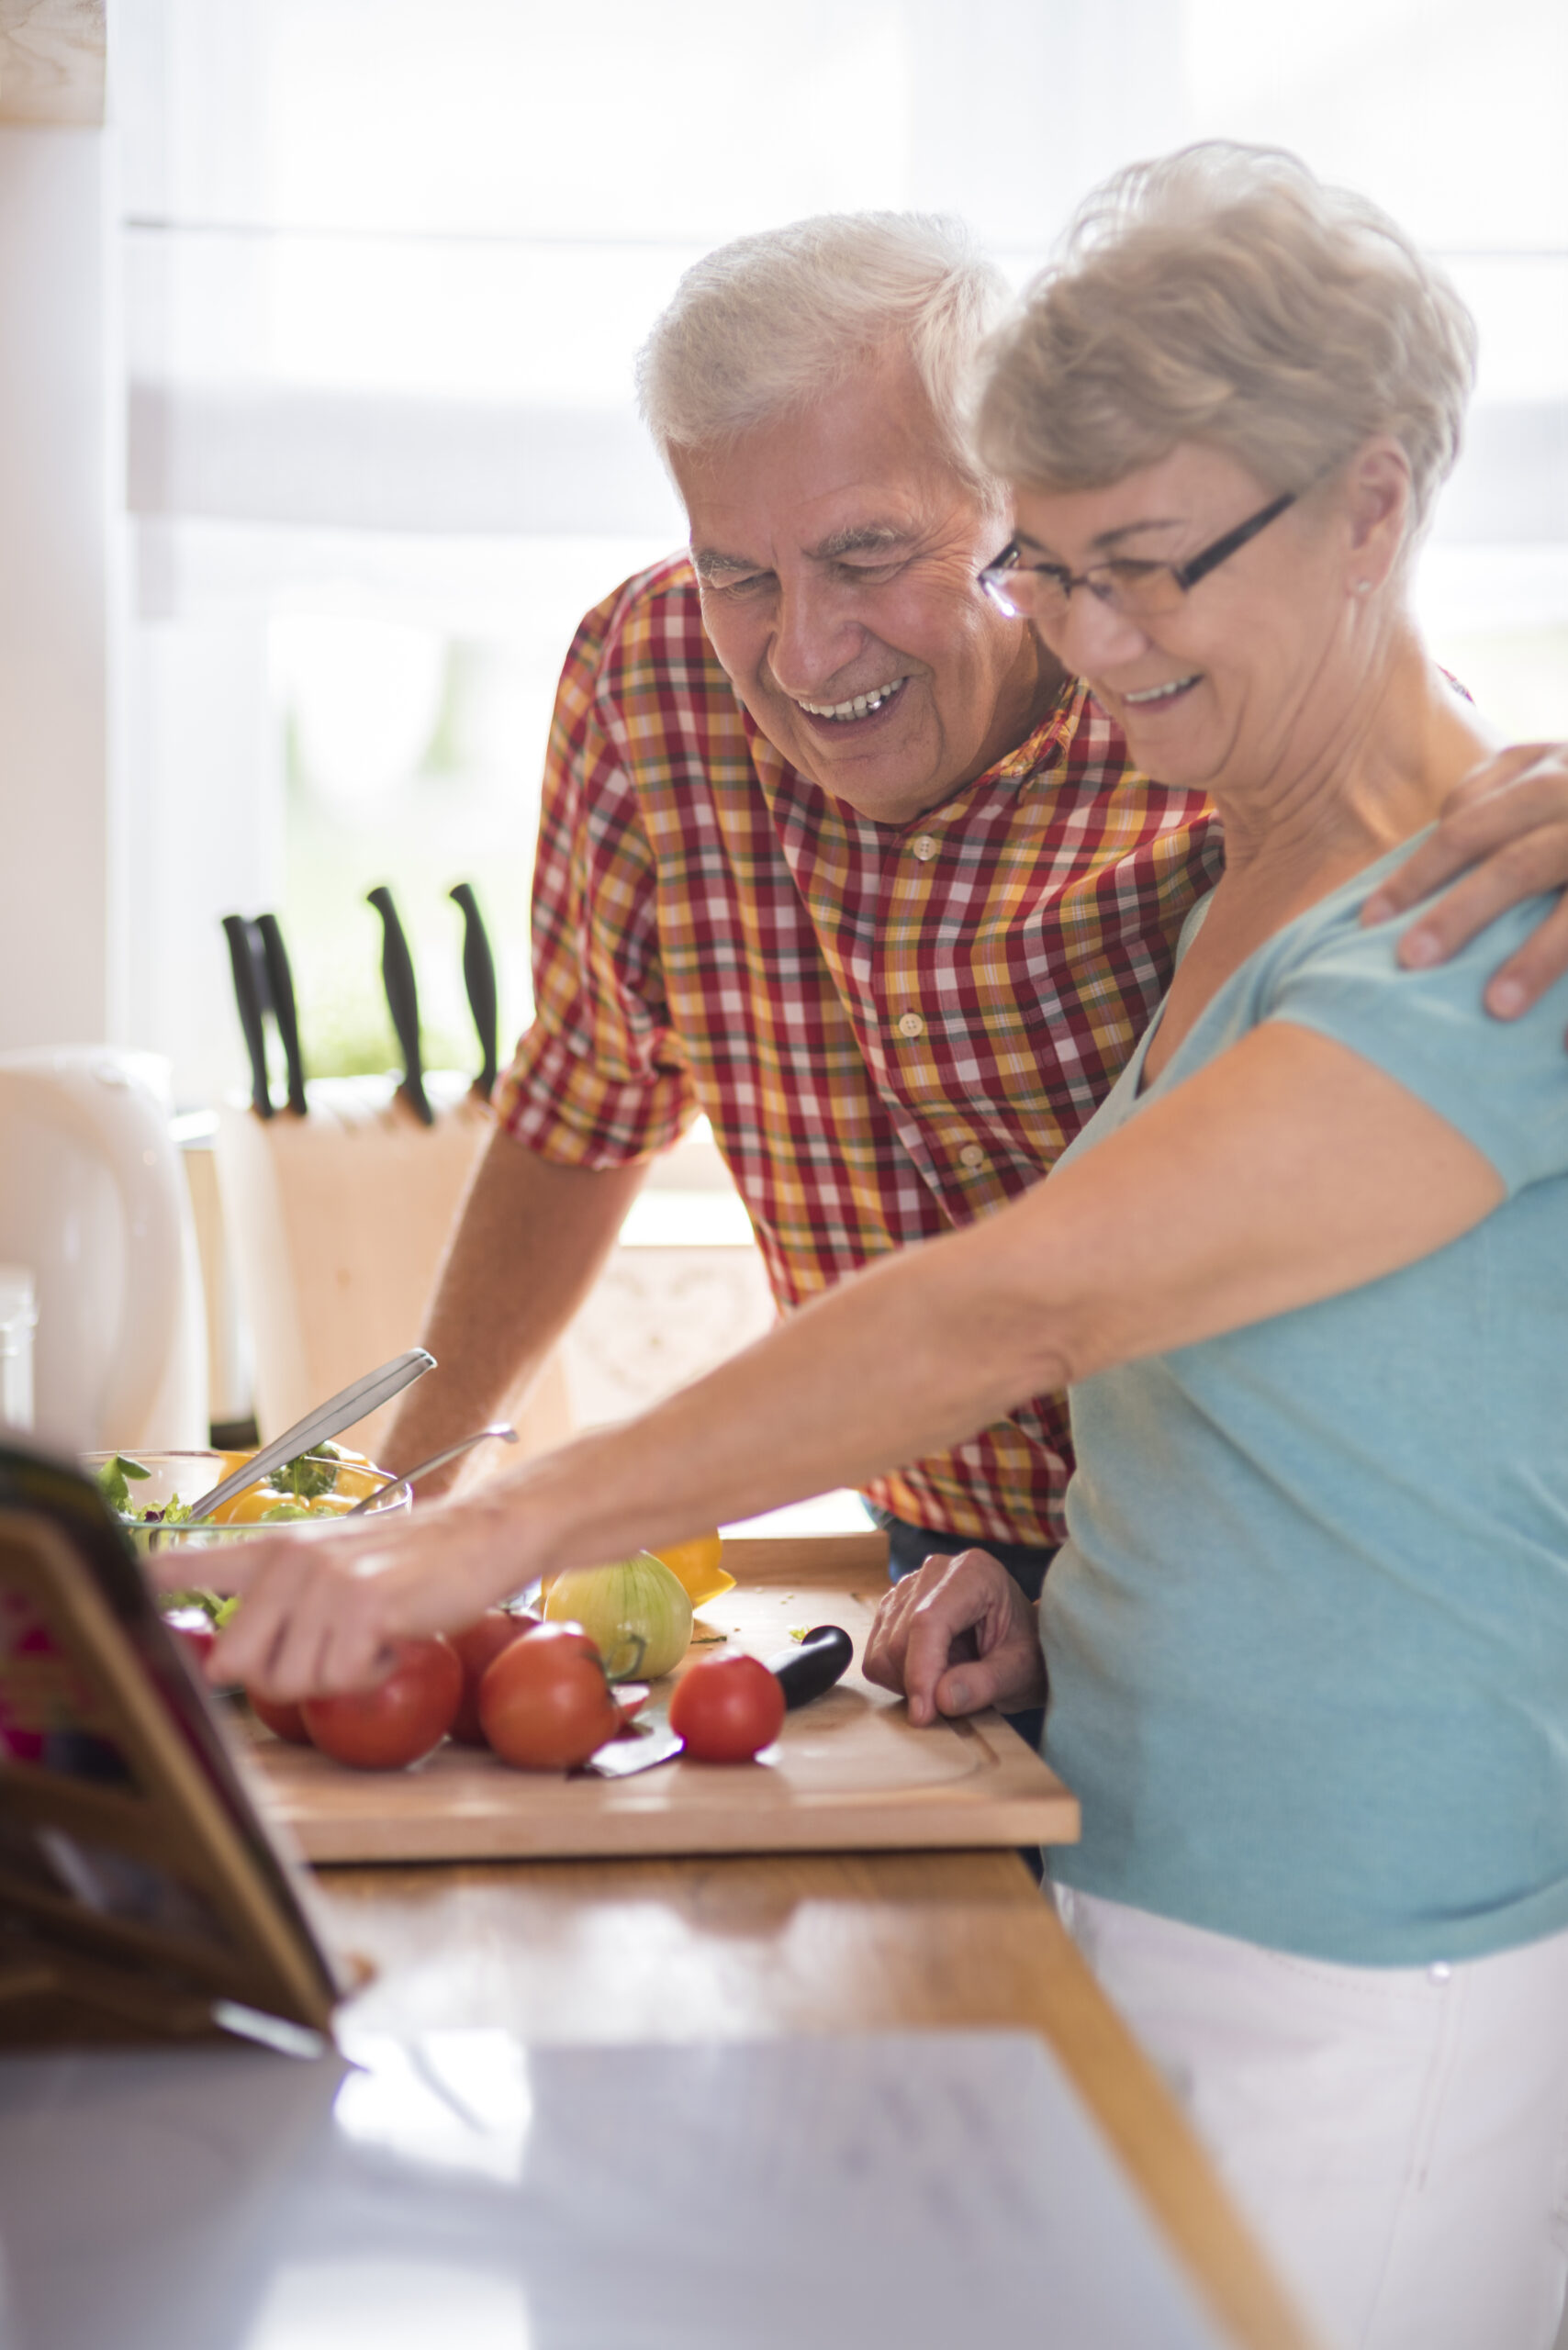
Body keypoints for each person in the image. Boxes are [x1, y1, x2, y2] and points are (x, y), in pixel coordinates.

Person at [219, 149, 1568, 2345]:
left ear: (1370, 512)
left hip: (1371, 1943)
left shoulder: (1480, 931)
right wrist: (1049, 1607)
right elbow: (1232, 1432)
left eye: (1145, 569)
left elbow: (1022, 1295)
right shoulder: (1264, 867)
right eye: (1062, 565)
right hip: (1151, 1843)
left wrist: (476, 1530)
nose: (1092, 641)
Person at [380, 210, 1568, 1631]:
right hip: (949, 1578)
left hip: (1271, 1575)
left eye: (869, 554)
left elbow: (1029, 1303)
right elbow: (584, 1098)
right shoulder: (649, 684)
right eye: (738, 574)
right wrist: (410, 1505)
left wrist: (521, 1525)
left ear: (1014, 492)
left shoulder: (1213, 739)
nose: (804, 650)